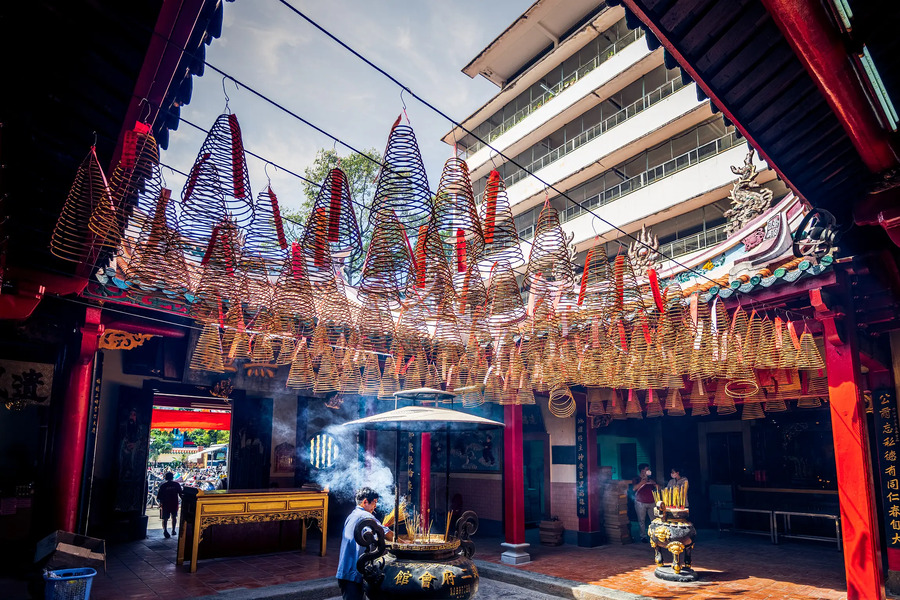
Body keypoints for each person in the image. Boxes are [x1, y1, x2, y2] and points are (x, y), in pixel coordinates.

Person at [336, 487, 395, 600]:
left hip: (346, 571)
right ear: (365, 502)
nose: (375, 506)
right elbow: (387, 534)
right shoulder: (365, 517)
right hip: (353, 572)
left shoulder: (352, 515)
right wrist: (404, 541)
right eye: (374, 502)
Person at [632, 463, 658, 543]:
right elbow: (633, 489)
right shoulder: (636, 478)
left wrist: (654, 483)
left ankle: (655, 536)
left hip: (651, 502)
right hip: (640, 502)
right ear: (642, 470)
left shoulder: (651, 479)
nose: (648, 471)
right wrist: (642, 482)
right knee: (641, 520)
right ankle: (643, 536)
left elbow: (657, 487)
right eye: (647, 469)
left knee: (654, 520)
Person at [157, 471, 183, 539]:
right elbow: (181, 494)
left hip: (165, 504)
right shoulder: (176, 484)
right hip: (174, 503)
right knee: (174, 517)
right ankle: (173, 530)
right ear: (172, 477)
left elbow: (159, 496)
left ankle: (165, 530)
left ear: (165, 478)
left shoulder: (163, 485)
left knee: (165, 518)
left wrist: (160, 504)